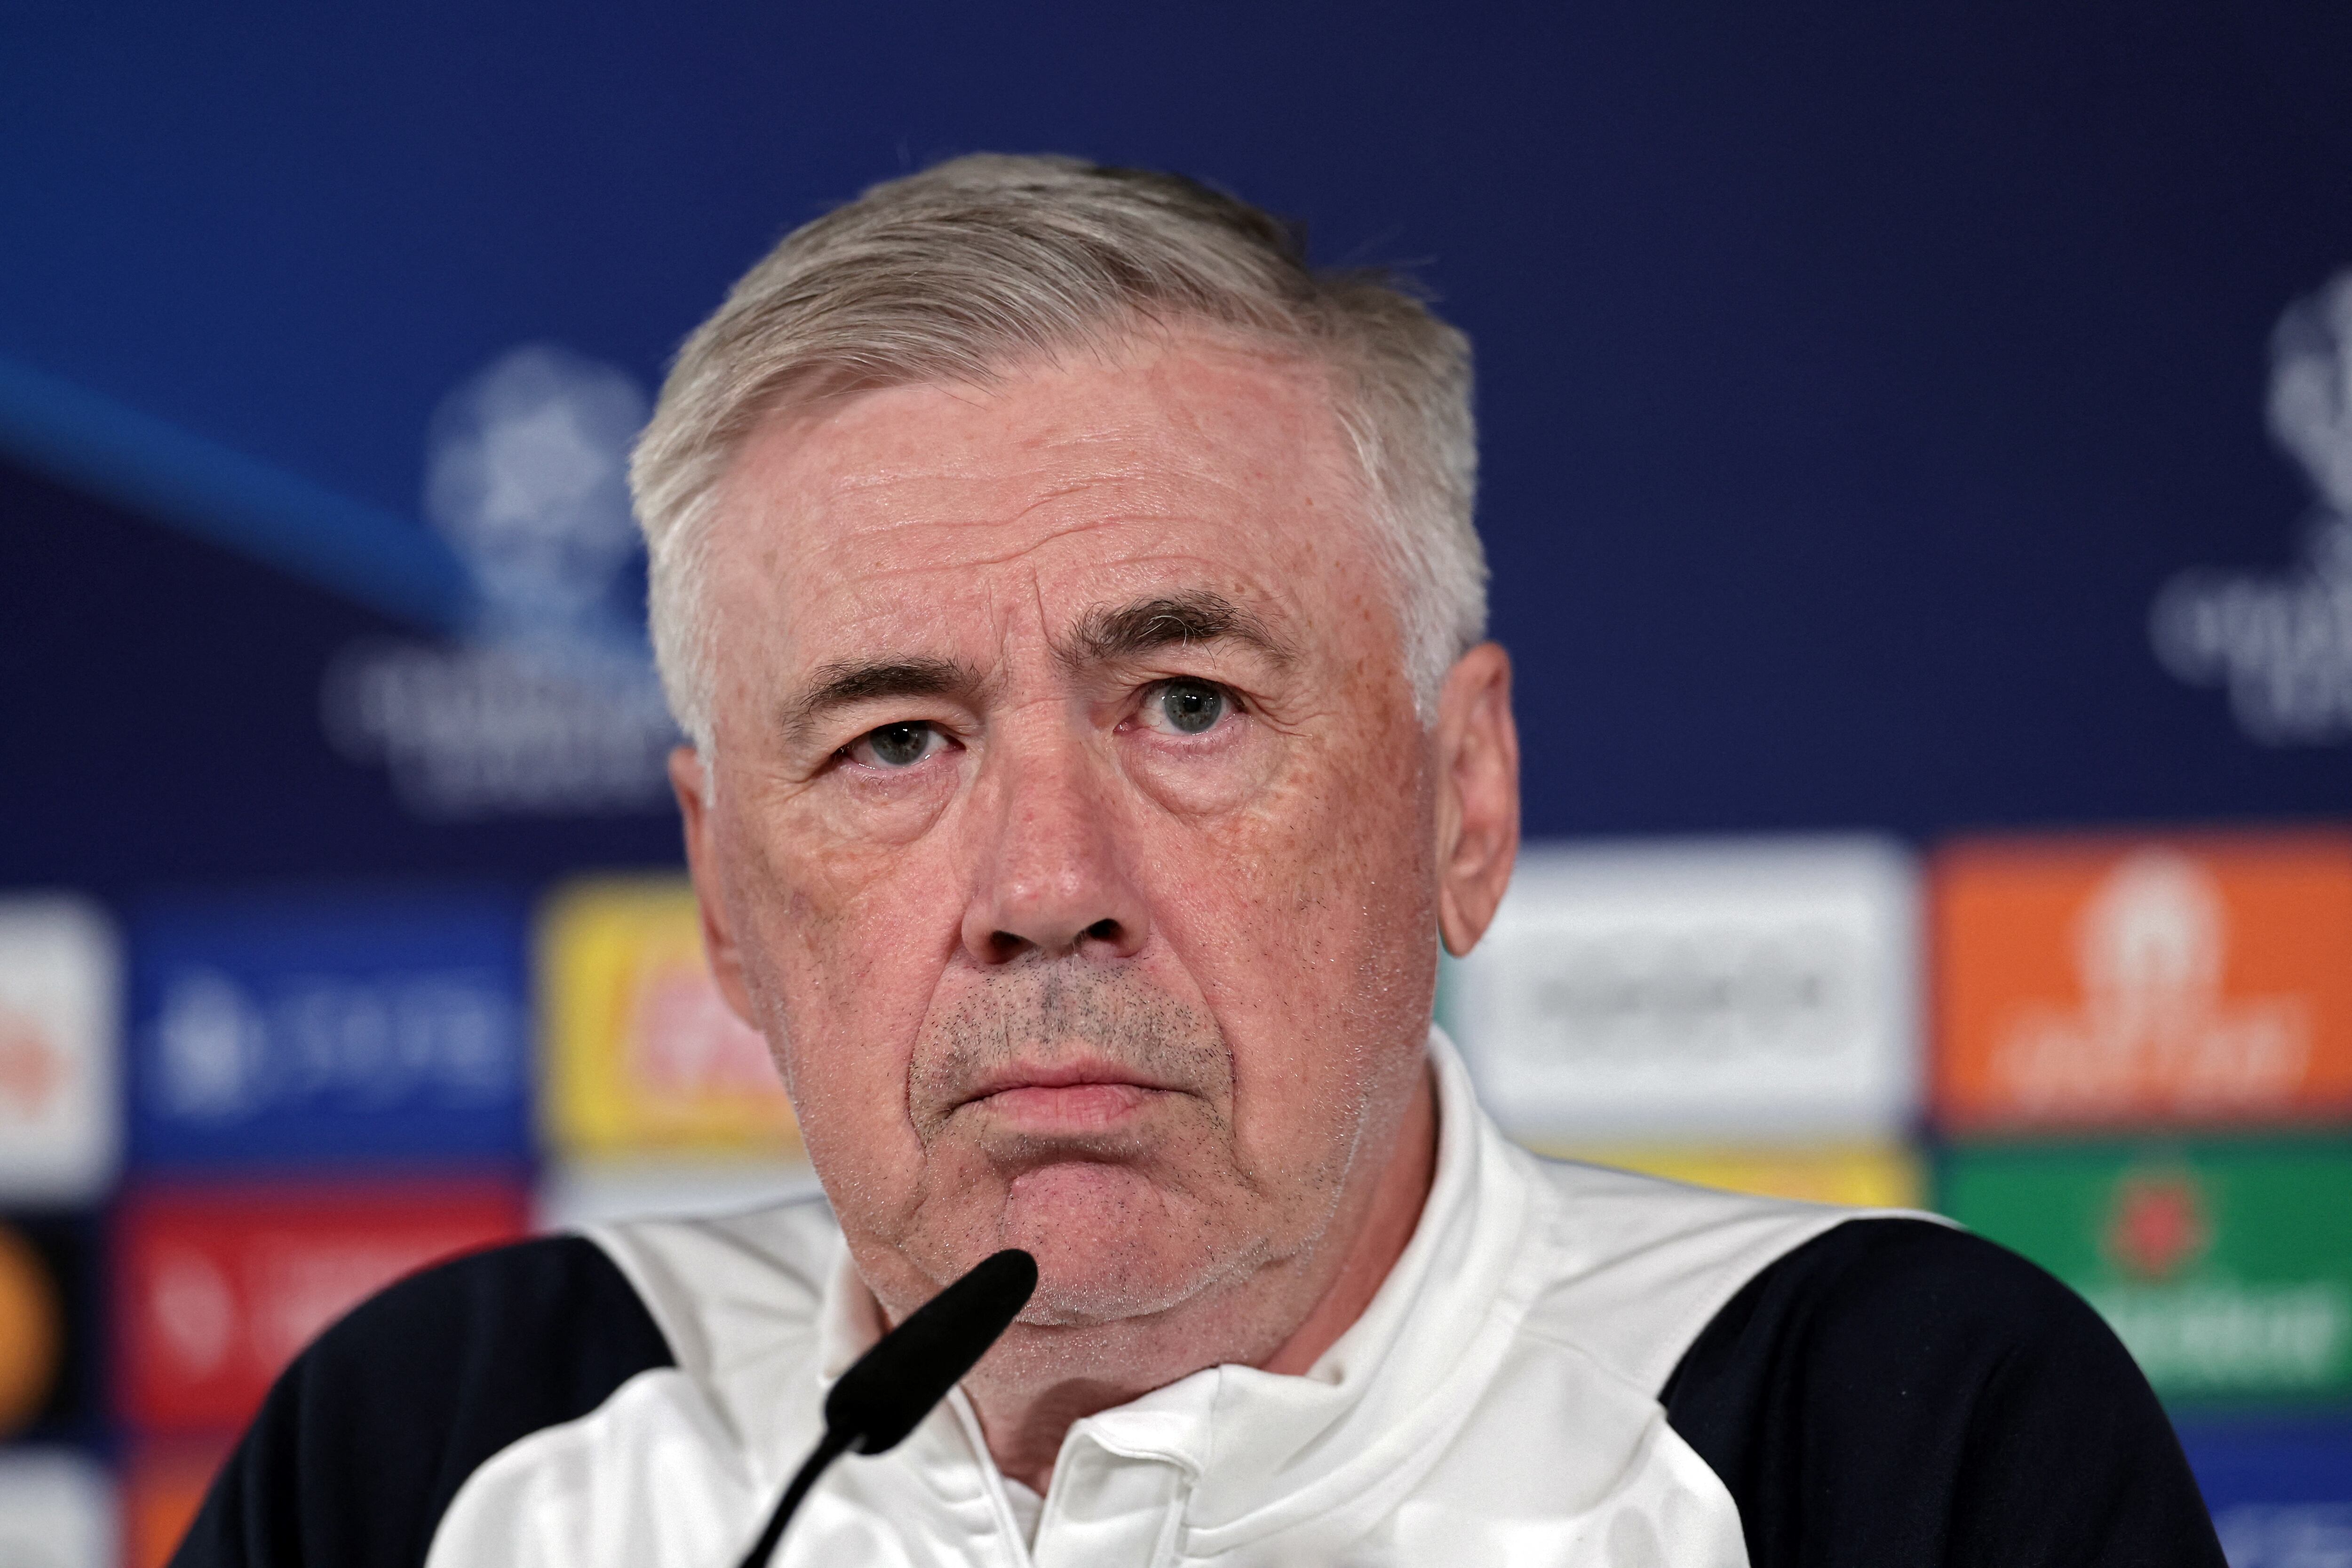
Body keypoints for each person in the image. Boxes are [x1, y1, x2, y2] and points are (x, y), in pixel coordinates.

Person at [174, 155, 2224, 1568]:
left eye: (1183, 702)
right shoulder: (446, 1457)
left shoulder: (1874, 1438)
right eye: (895, 741)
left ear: (1463, 796)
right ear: (723, 891)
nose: (1043, 880)